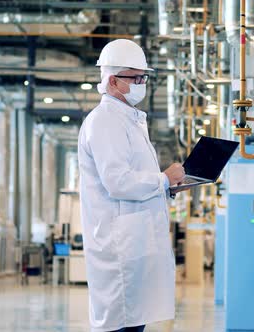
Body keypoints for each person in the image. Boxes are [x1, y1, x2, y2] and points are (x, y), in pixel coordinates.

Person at [78, 39, 186, 332]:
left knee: (133, 322)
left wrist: (166, 186)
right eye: (135, 78)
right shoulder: (105, 121)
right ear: (112, 80)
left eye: (144, 77)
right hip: (119, 248)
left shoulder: (127, 120)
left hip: (134, 245)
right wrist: (163, 178)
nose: (142, 83)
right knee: (120, 324)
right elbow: (118, 182)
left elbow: (134, 178)